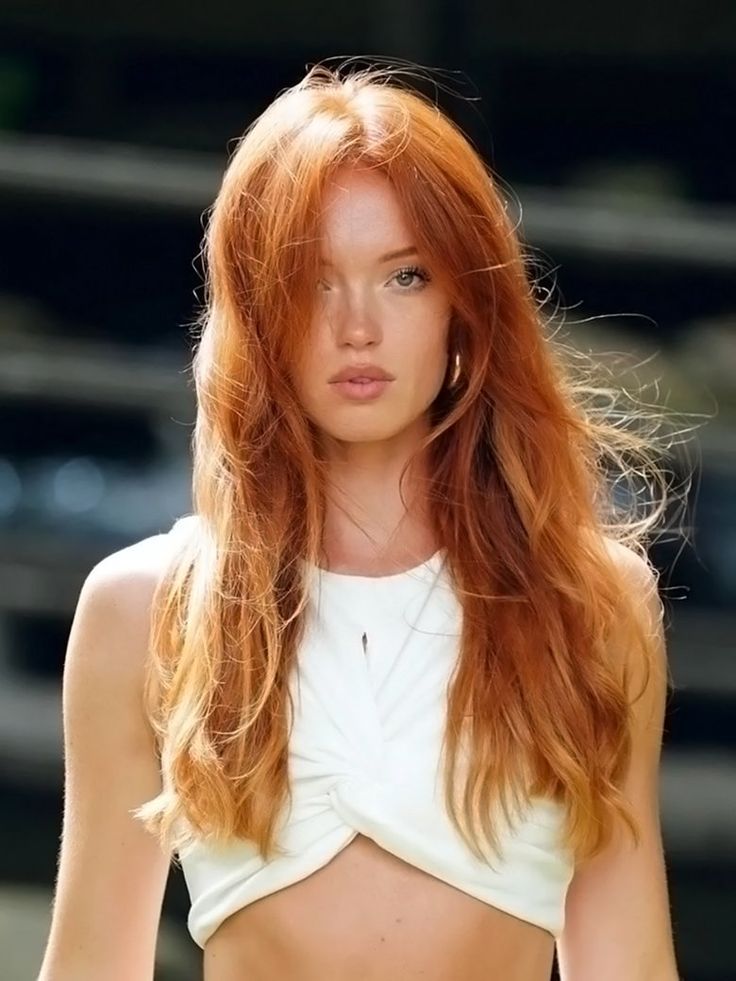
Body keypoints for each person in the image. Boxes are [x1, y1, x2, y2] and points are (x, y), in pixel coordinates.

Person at [38, 59, 682, 981]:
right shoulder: (146, 607)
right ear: (258, 309)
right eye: (312, 280)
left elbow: (629, 963)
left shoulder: (591, 604)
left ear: (469, 302)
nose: (358, 327)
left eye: (406, 276)